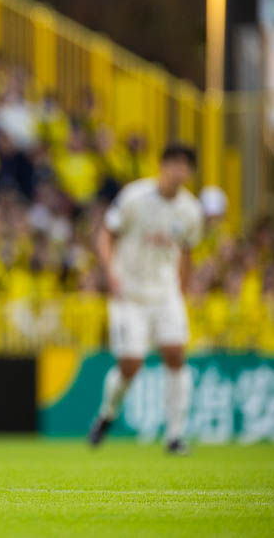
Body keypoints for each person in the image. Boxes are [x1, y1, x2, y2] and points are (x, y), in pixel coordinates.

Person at [88, 144, 203, 454]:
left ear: (190, 172)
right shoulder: (134, 197)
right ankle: (107, 414)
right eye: (173, 163)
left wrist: (183, 290)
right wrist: (110, 272)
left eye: (184, 165)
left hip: (165, 293)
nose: (178, 171)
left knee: (176, 354)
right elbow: (106, 234)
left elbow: (187, 253)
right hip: (129, 293)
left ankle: (175, 436)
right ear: (161, 165)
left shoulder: (191, 210)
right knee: (131, 364)